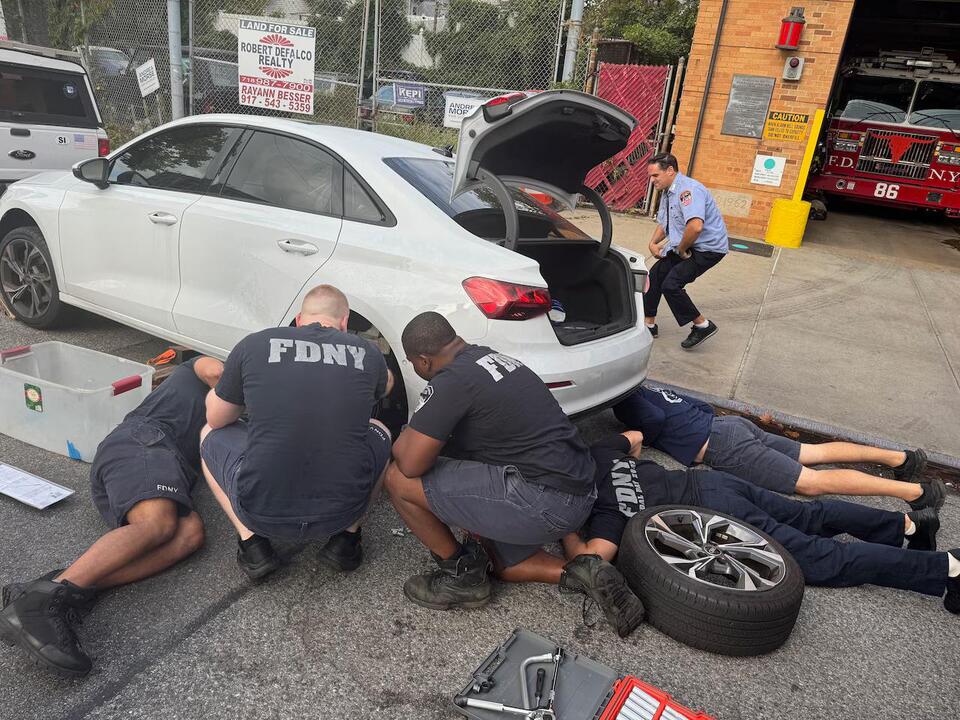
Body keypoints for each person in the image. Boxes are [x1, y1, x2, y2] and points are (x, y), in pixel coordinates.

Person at [385, 312, 642, 630]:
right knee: (503, 566)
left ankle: (461, 577)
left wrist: (399, 438)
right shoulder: (493, 359)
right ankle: (583, 574)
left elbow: (411, 463)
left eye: (412, 363)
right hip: (579, 490)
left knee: (397, 480)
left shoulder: (451, 380)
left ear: (423, 361)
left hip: (544, 501)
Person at [0, 356, 223, 677]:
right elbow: (215, 371)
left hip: (158, 461)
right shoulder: (199, 368)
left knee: (189, 535)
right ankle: (39, 606)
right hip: (144, 443)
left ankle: (50, 590)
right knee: (157, 525)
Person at [584, 430, 960, 614]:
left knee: (823, 559)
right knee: (810, 515)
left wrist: (568, 529)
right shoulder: (598, 452)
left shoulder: (603, 509)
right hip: (710, 482)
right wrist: (632, 466)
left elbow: (592, 558)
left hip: (717, 516)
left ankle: (949, 567)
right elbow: (635, 438)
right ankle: (911, 526)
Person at [200, 285, 393, 579]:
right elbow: (386, 387)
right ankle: (347, 539)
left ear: (299, 320)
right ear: (345, 322)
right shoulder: (368, 353)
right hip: (343, 509)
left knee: (206, 433)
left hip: (258, 509)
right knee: (380, 430)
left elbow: (216, 419)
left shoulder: (254, 345)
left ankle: (252, 543)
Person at [613, 385, 943, 511]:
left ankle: (916, 493)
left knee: (810, 483)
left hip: (721, 446)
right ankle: (903, 459)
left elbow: (652, 421)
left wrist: (648, 435)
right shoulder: (647, 386)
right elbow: (702, 407)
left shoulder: (623, 401)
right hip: (729, 427)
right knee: (816, 453)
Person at [644, 152, 729, 349]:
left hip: (707, 248)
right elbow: (666, 222)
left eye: (655, 175)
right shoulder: (668, 191)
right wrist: (653, 243)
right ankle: (649, 325)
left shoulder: (688, 190)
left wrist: (681, 250)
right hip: (687, 244)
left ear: (670, 171)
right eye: (650, 176)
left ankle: (702, 325)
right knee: (655, 276)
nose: (652, 180)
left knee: (671, 284)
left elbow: (695, 226)